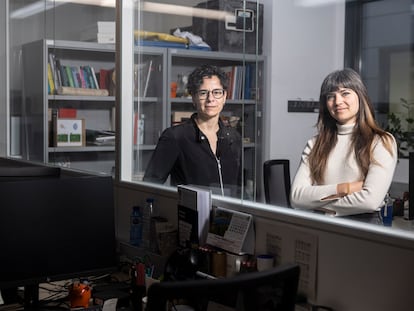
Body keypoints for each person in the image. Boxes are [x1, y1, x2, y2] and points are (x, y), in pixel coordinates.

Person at [290, 68, 397, 221]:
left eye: (345, 93)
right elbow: (296, 197)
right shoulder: (314, 144)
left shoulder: (381, 141)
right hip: (321, 228)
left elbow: (370, 201)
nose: (338, 101)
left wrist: (318, 205)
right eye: (330, 96)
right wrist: (345, 188)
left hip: (364, 230)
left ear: (360, 97)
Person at [143, 64, 242, 196]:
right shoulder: (175, 137)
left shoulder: (233, 138)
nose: (210, 99)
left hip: (229, 214)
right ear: (194, 98)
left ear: (224, 97)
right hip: (191, 214)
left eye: (217, 92)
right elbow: (150, 187)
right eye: (203, 93)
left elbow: (239, 189)